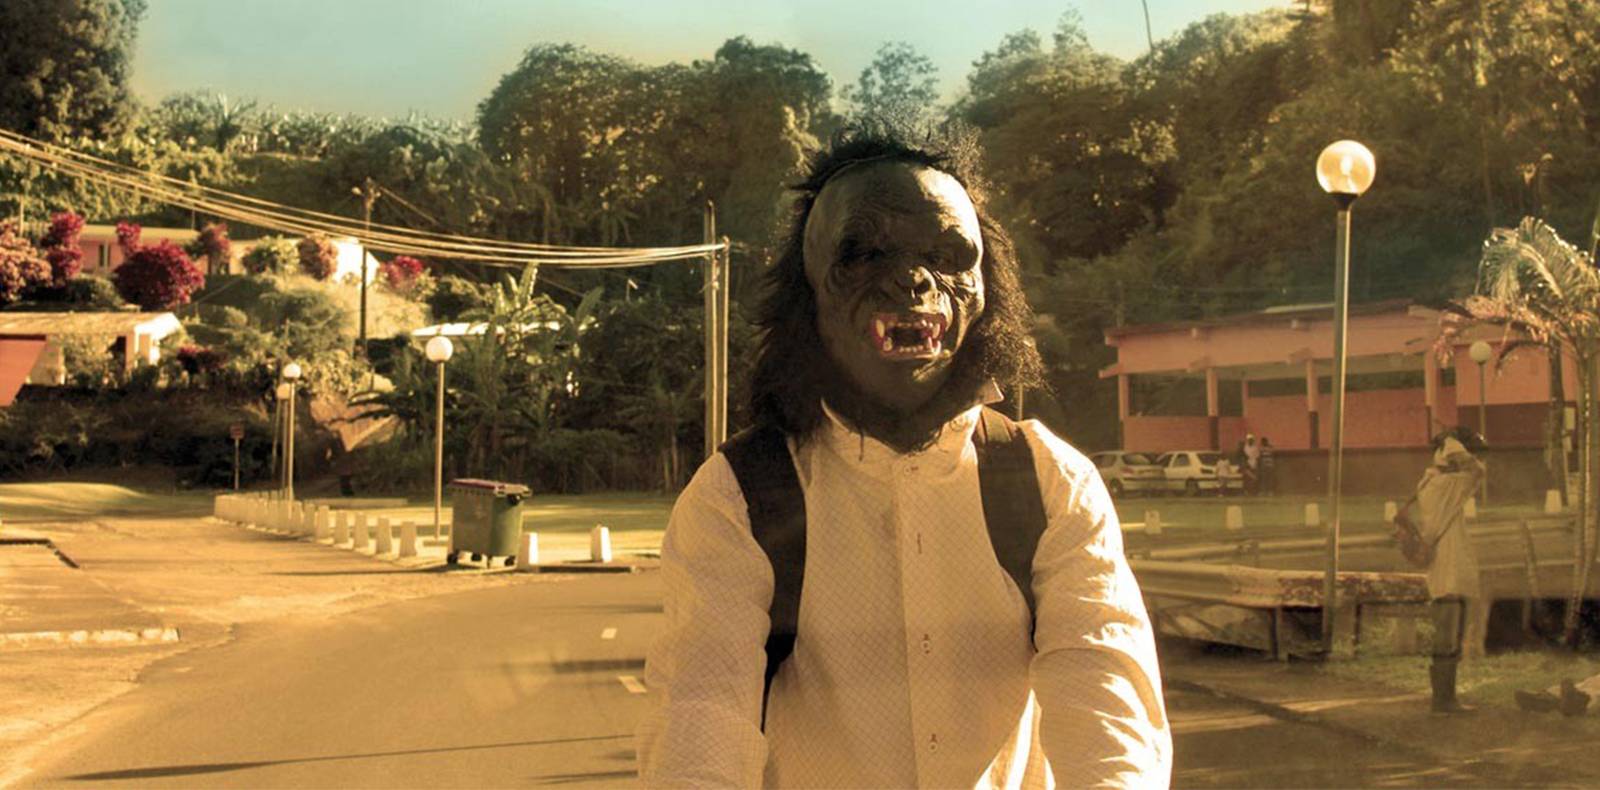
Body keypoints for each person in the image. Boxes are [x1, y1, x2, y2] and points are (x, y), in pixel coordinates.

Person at [637, 125, 1171, 788]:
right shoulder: (739, 495)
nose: (914, 281)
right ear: (808, 297)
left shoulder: (1050, 481)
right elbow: (701, 711)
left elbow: (1104, 692)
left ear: (987, 288)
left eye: (948, 256)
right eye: (864, 254)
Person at [1410, 426, 1488, 714]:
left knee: (1447, 633)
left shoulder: (1429, 482)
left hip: (1442, 571)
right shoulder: (1449, 485)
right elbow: (1477, 470)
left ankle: (1444, 698)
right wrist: (1453, 445)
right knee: (1449, 636)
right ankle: (1444, 700)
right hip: (1451, 571)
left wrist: (1449, 447)